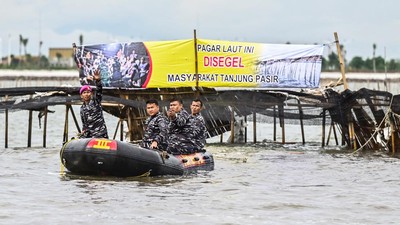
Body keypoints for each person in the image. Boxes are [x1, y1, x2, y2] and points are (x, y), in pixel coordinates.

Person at [79, 69, 109, 139]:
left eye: (88, 92)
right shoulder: (82, 108)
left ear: (91, 93)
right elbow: (84, 124)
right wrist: (83, 132)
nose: (86, 94)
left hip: (100, 134)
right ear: (81, 95)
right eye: (84, 93)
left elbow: (99, 90)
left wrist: (98, 81)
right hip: (90, 136)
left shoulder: (96, 102)